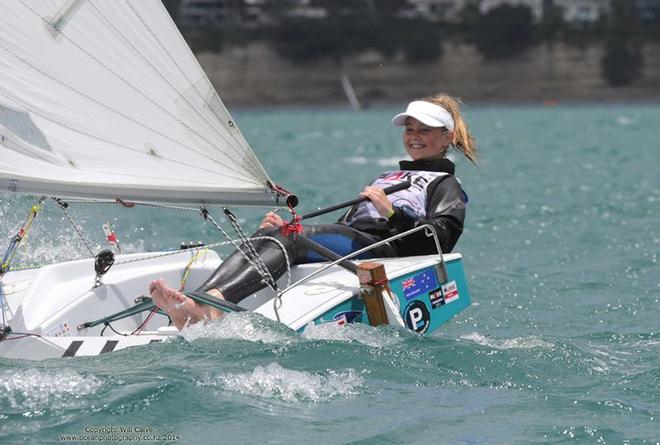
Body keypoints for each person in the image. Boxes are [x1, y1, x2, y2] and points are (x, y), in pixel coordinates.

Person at [150, 93, 478, 329]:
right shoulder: (388, 175)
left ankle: (210, 307)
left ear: (446, 137)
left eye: (424, 131)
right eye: (410, 129)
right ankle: (202, 300)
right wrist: (288, 229)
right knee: (271, 232)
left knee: (291, 237)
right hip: (360, 239)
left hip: (386, 250)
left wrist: (393, 213)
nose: (414, 137)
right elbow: (345, 227)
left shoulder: (445, 183)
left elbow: (440, 238)